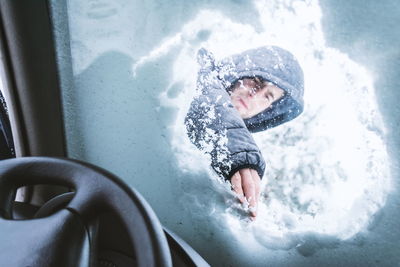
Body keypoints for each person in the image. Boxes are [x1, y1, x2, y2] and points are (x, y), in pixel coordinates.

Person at [185, 46, 304, 219]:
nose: (254, 95)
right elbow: (209, 95)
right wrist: (240, 154)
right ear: (239, 71)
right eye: (256, 80)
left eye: (268, 96)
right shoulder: (198, 71)